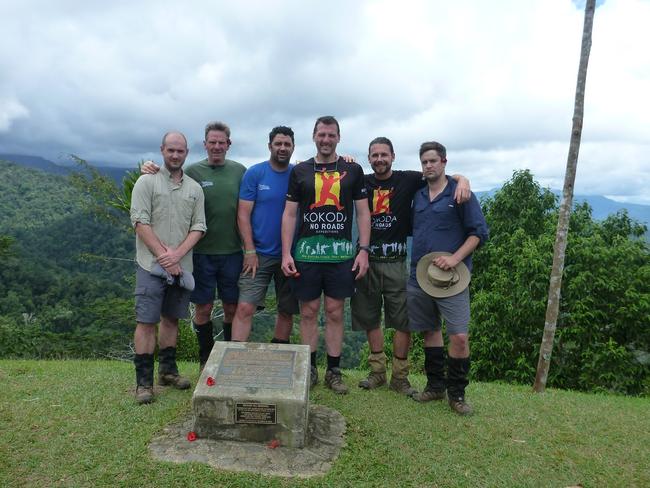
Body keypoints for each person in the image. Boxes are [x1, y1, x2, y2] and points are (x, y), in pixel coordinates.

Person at [352, 137, 470, 395]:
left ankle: (400, 377)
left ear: (393, 156)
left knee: (402, 321)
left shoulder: (408, 179)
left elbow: (441, 175)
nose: (379, 159)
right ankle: (377, 372)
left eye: (384, 154)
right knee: (370, 318)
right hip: (366, 259)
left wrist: (463, 180)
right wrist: (346, 161)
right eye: (374, 155)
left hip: (397, 261)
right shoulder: (360, 179)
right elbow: (335, 172)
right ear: (368, 158)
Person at [143, 122, 246, 370]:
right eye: (213, 142)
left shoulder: (240, 171)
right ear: (205, 144)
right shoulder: (193, 172)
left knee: (232, 306)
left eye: (222, 142)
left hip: (233, 251)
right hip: (200, 253)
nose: (217, 146)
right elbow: (168, 181)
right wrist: (149, 169)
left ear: (229, 145)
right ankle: (206, 359)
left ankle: (229, 359)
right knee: (204, 307)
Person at [281, 115, 370, 394]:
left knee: (334, 312)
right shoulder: (300, 171)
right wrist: (286, 253)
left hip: (340, 254)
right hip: (306, 253)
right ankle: (309, 368)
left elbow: (364, 212)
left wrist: (363, 250)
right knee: (308, 312)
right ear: (314, 136)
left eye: (331, 135)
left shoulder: (353, 170)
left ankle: (334, 370)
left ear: (338, 138)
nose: (326, 140)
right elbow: (290, 214)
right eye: (322, 135)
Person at [408, 141, 488, 415]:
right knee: (430, 330)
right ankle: (435, 386)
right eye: (424, 162)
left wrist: (455, 258)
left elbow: (478, 233)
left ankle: (457, 394)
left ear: (444, 162)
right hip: (420, 273)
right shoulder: (418, 196)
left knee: (460, 336)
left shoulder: (461, 194)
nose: (429, 165)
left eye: (433, 161)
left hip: (453, 277)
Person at [129, 131, 206, 404]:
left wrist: (177, 257)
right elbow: (140, 222)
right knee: (147, 321)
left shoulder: (194, 189)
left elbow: (199, 227)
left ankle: (168, 372)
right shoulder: (146, 182)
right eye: (170, 150)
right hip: (150, 266)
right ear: (162, 150)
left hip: (182, 268)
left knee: (171, 319)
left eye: (180, 151)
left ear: (186, 153)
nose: (175, 155)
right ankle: (144, 383)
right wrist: (164, 257)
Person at [231, 126, 299, 343]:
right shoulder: (255, 173)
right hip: (258, 254)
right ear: (270, 146)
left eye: (287, 144)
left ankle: (279, 356)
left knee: (286, 310)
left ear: (293, 147)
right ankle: (235, 358)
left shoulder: (298, 175)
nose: (282, 148)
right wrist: (249, 250)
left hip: (291, 255)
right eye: (278, 144)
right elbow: (243, 214)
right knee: (244, 307)